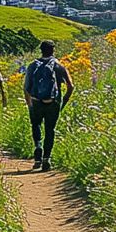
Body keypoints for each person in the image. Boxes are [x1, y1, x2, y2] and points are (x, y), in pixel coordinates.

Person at [23, 40, 73, 171]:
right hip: (53, 102)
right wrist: (63, 101)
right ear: (53, 50)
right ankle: (47, 159)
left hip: (36, 101)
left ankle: (38, 150)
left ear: (41, 50)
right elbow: (70, 86)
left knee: (36, 125)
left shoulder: (33, 65)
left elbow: (26, 88)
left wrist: (29, 104)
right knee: (50, 130)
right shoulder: (59, 66)